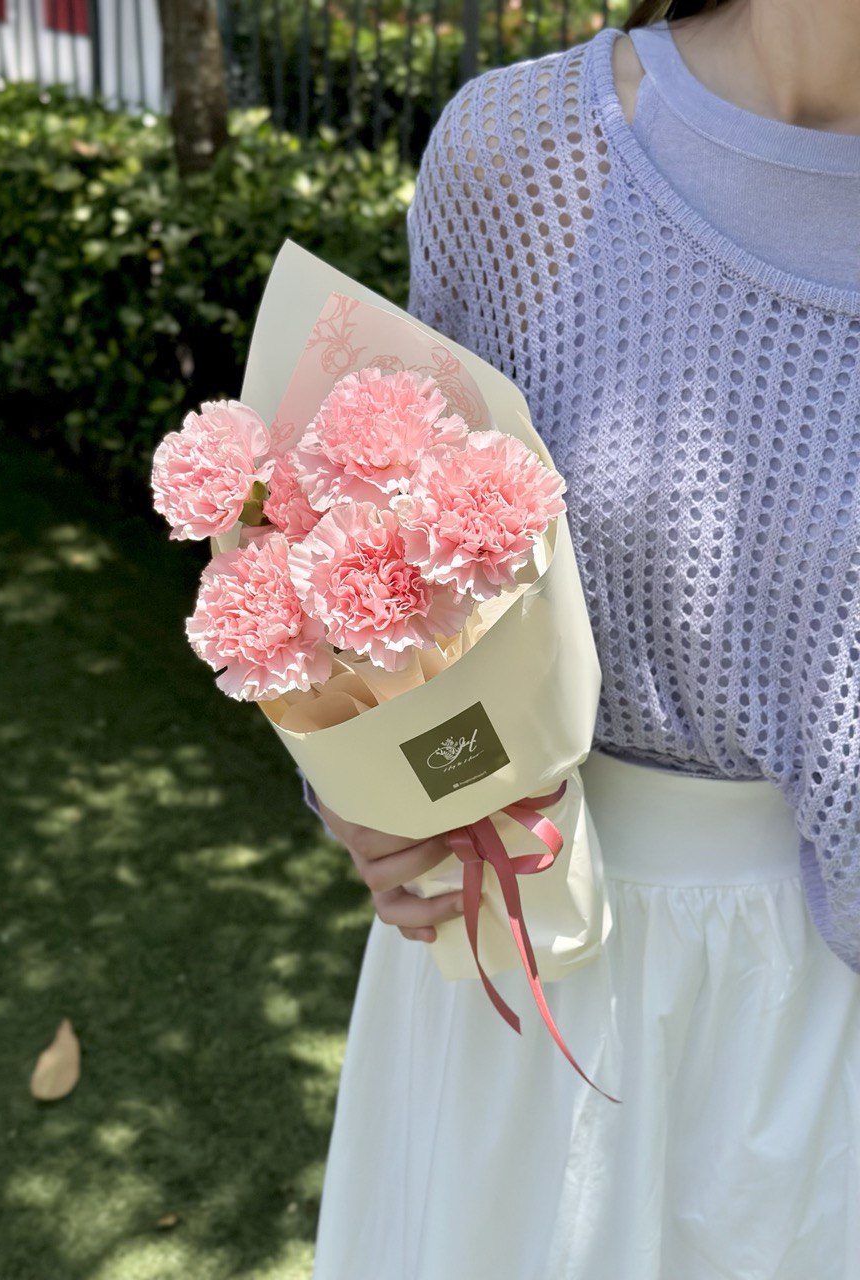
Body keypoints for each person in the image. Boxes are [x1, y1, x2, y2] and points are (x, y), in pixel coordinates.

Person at [306, 1, 860, 1275]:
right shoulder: (520, 155)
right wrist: (383, 798)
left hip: (828, 1020)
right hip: (525, 947)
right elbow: (395, 563)